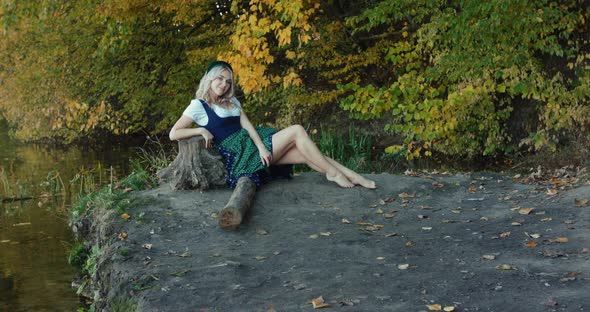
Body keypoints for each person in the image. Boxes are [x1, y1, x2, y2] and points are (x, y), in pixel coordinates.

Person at [169, 61, 376, 189]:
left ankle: (353, 176)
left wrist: (260, 146)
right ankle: (334, 174)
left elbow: (248, 125)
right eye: (220, 79)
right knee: (297, 130)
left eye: (228, 82)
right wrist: (200, 129)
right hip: (239, 153)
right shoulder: (198, 105)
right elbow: (174, 133)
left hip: (252, 142)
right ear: (210, 79)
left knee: (308, 153)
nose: (224, 84)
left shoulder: (232, 102)